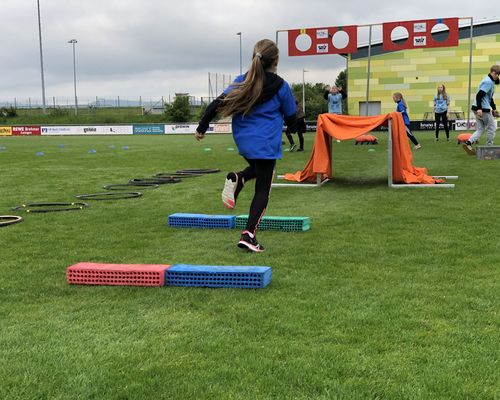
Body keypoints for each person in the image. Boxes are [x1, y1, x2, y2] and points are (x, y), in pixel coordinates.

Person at [195, 39, 296, 252]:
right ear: (276, 60)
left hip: (244, 141)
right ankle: (249, 235)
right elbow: (292, 116)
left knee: (258, 170)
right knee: (263, 189)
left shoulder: (242, 81)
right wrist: (298, 126)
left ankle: (239, 178)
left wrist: (202, 127)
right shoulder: (281, 86)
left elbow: (217, 104)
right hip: (266, 141)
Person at [463, 65, 500, 155]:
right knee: (492, 128)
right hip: (482, 109)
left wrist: (494, 109)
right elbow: (479, 95)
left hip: (477, 107)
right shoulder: (488, 82)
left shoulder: (489, 80)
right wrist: (480, 109)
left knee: (480, 129)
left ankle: (468, 143)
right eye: (497, 75)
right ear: (494, 73)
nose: (498, 77)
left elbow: (489, 98)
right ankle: (489, 148)